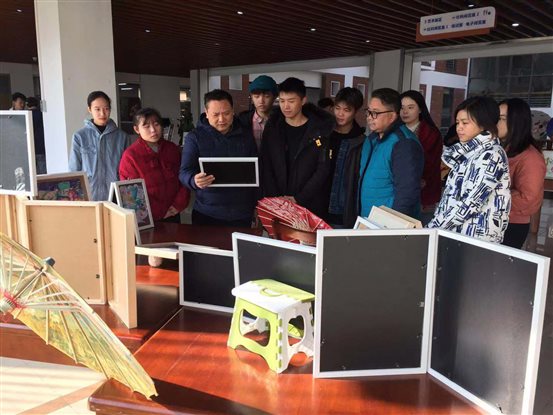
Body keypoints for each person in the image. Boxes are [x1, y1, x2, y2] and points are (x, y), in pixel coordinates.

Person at [428, 96, 511, 243]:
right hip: (455, 234)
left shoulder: (492, 154)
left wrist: (432, 228)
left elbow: (471, 203)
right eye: (458, 122)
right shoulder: (467, 152)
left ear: (483, 124)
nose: (459, 127)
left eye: (465, 123)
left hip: (476, 240)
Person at [342, 88, 424, 227]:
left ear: (392, 116)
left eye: (375, 113)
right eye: (368, 112)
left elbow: (407, 194)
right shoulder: (371, 140)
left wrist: (390, 229)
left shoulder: (404, 144)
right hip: (368, 221)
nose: (369, 117)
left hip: (388, 226)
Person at [179, 89, 257, 227]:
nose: (221, 119)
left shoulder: (246, 135)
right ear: (206, 112)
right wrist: (193, 180)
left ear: (233, 111)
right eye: (215, 114)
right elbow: (184, 172)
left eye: (226, 113)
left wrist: (257, 205)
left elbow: (256, 171)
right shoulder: (195, 137)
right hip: (207, 211)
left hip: (241, 211)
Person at [261, 77, 334, 218]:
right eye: (282, 101)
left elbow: (322, 169)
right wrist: (277, 199)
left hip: (309, 205)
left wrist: (298, 199)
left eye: (291, 101)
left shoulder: (319, 130)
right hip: (277, 204)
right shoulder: (273, 128)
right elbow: (266, 164)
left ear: (303, 100)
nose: (286, 106)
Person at [119, 108, 190, 222]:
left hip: (173, 211)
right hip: (147, 217)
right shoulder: (130, 156)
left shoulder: (171, 149)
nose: (153, 130)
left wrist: (178, 205)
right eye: (146, 126)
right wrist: (154, 213)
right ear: (137, 129)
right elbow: (130, 193)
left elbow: (184, 177)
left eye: (156, 124)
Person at [497, 98, 545, 249]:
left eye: (502, 118)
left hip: (511, 224)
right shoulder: (502, 149)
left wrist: (491, 199)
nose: (496, 122)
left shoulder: (531, 157)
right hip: (494, 218)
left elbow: (528, 198)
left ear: (517, 122)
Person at [69, 91, 130, 201]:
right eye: (97, 109)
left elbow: (127, 169)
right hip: (89, 194)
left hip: (115, 195)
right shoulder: (79, 136)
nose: (102, 113)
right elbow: (74, 170)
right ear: (89, 109)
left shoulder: (122, 137)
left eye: (106, 109)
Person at [400, 90, 443, 221]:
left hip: (423, 195)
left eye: (410, 107)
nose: (405, 111)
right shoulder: (395, 131)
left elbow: (429, 165)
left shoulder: (431, 133)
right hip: (398, 192)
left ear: (420, 109)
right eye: (402, 107)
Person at [327, 87, 365, 225]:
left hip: (343, 212)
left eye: (346, 110)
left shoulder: (361, 142)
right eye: (337, 108)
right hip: (317, 207)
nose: (340, 114)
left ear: (356, 111)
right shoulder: (324, 134)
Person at [238, 75, 277, 151]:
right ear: (252, 98)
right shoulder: (241, 121)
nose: (261, 101)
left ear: (274, 97)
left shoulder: (282, 120)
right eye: (256, 96)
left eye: (267, 96)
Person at [26, 97, 46, 174]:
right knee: (43, 172)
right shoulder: (42, 114)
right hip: (42, 147)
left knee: (32, 172)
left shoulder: (27, 116)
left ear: (27, 104)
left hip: (31, 147)